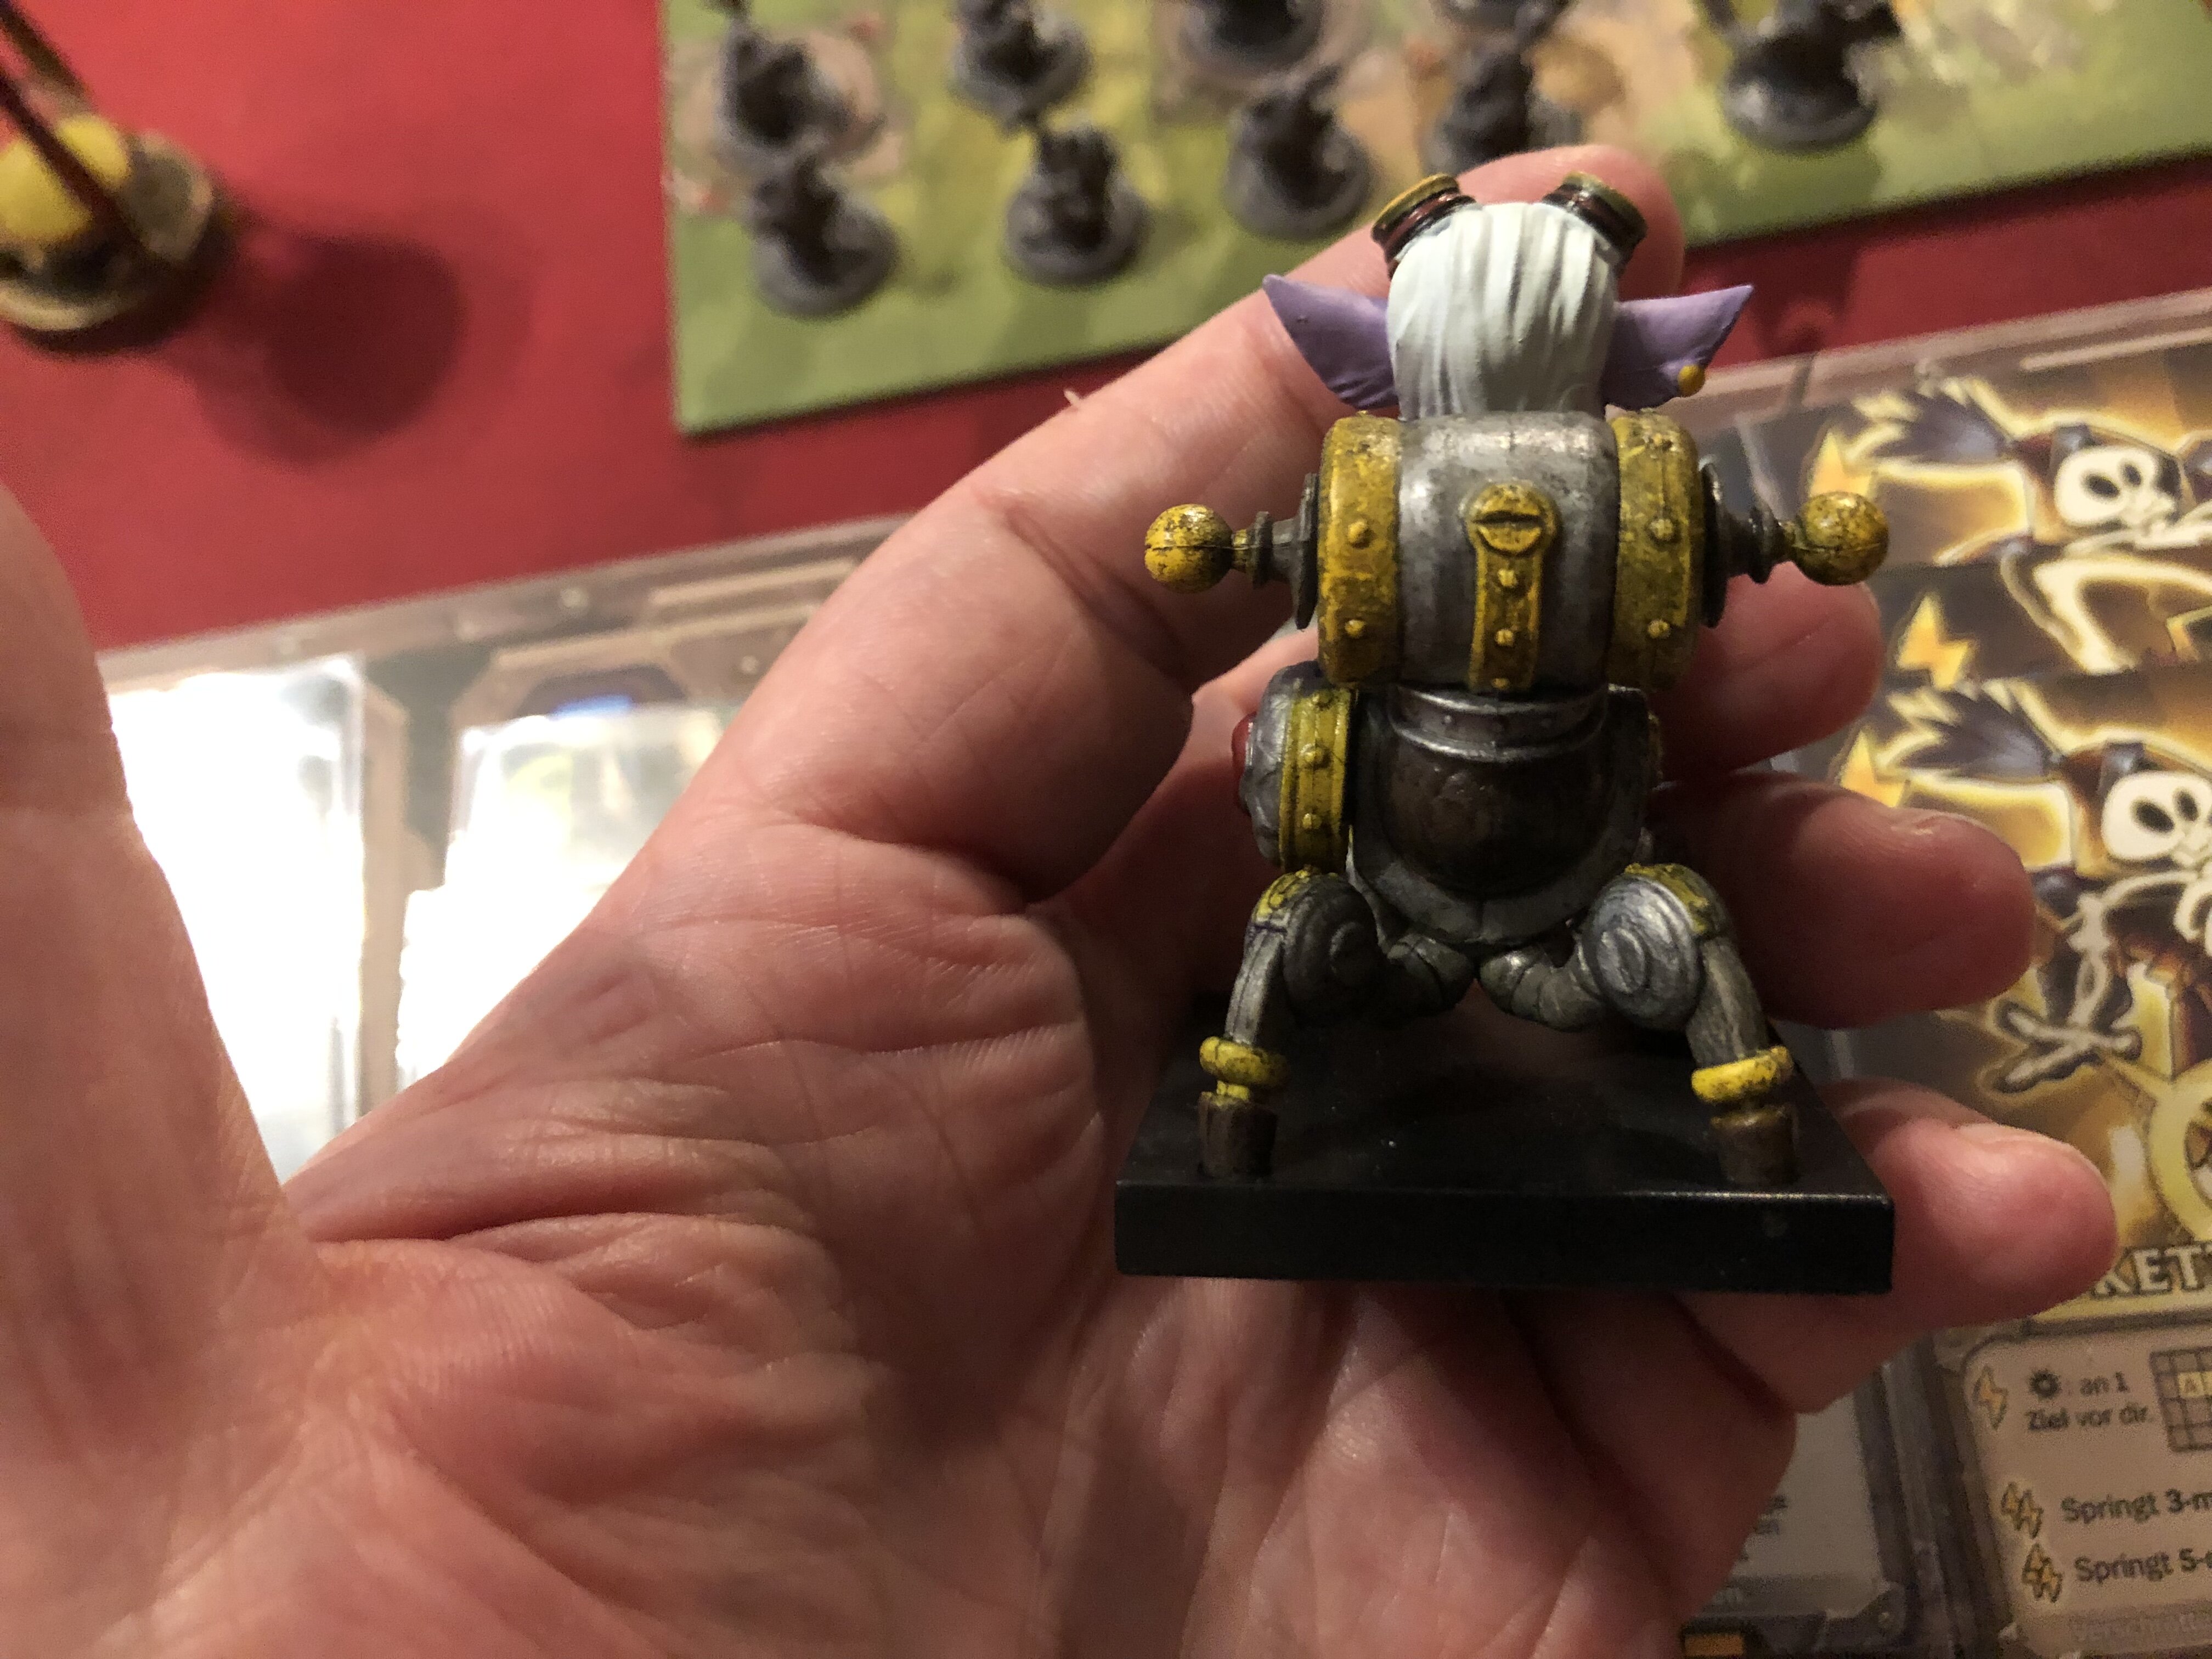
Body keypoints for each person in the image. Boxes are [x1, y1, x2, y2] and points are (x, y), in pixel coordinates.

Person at [1, 146, 2112, 1656]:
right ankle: (1384, 1104)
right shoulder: (1446, 487)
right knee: (1306, 959)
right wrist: (1270, 567)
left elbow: (1720, 558)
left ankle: (1714, 1115)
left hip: (1567, 866)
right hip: (1407, 868)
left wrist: (1727, 546)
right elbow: (1327, 570)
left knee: (1687, 959)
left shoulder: (1591, 487)